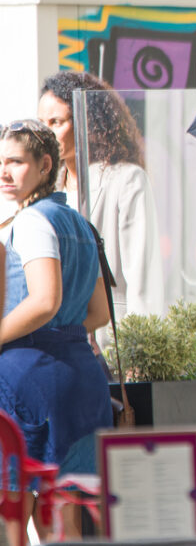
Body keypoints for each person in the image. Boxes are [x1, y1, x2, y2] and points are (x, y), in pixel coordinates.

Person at [0, 120, 112, 543]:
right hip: (83, 382)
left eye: (15, 161)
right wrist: (63, 331)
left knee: (13, 525)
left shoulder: (30, 221)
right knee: (65, 525)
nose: (4, 172)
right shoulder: (80, 223)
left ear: (45, 164)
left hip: (28, 383)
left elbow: (44, 301)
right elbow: (98, 313)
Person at [37, 71, 164, 321]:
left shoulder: (127, 180)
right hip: (61, 335)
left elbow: (143, 278)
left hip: (112, 337)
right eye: (41, 123)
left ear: (88, 121)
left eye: (56, 122)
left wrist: (141, 353)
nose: (45, 134)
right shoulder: (48, 190)